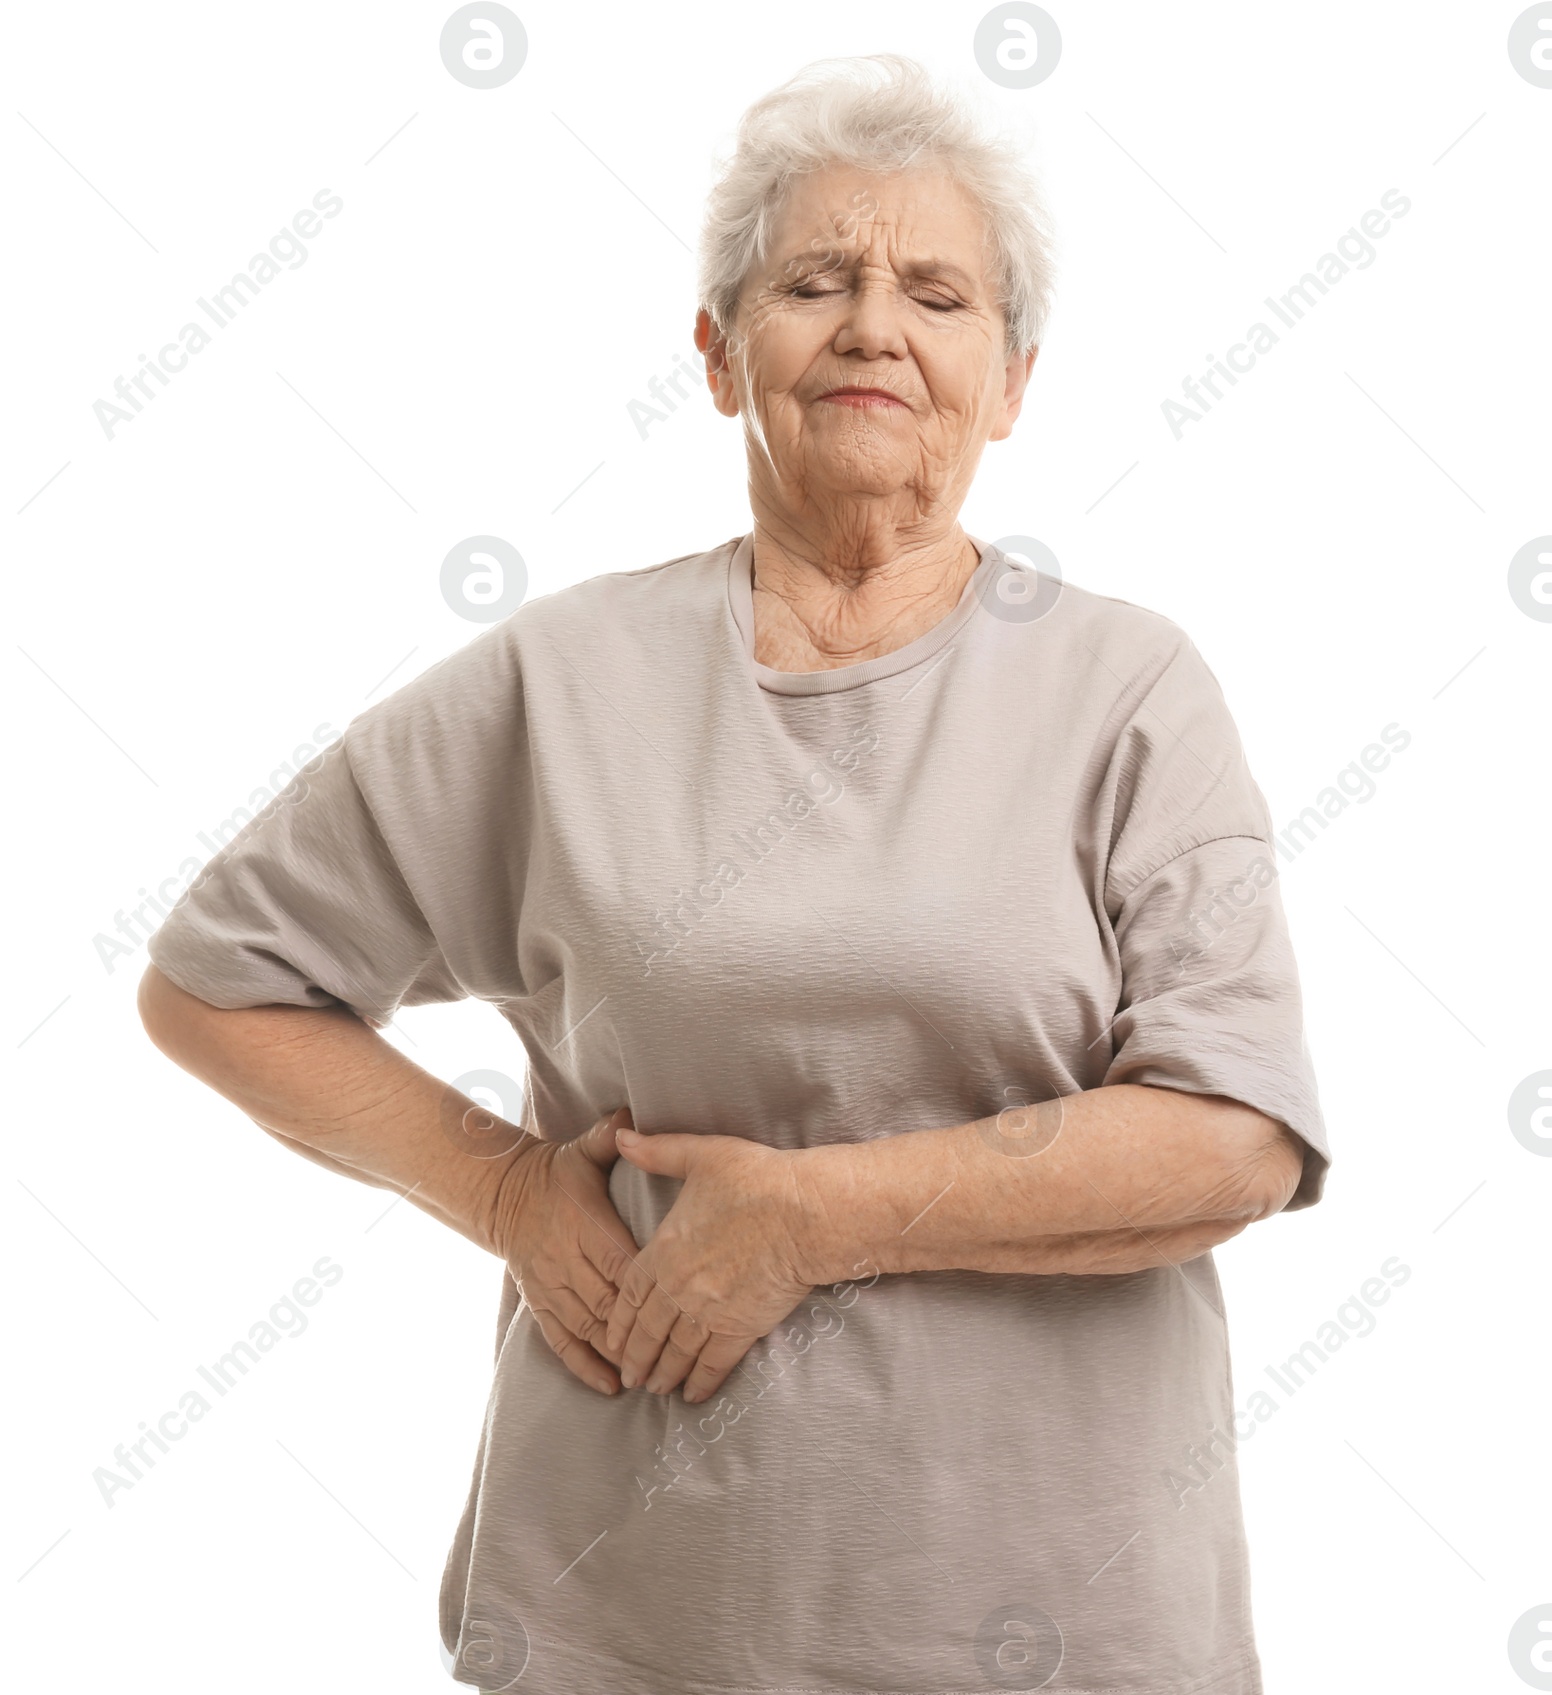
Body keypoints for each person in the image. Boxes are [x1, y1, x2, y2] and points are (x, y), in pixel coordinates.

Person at [139, 53, 1330, 1695]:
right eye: (813, 281)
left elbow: (1237, 1139)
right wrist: (496, 1187)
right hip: (633, 1622)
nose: (871, 329)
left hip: (1059, 1625)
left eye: (937, 293)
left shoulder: (1128, 691)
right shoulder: (558, 683)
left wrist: (809, 1220)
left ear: (1011, 380)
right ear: (717, 354)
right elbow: (217, 981)